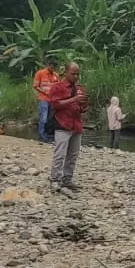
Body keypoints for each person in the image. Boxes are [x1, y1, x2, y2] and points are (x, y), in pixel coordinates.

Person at [47, 63, 88, 194]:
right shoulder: (57, 87)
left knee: (73, 155)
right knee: (60, 154)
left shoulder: (80, 88)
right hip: (62, 124)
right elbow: (55, 104)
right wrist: (74, 99)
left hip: (76, 125)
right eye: (73, 73)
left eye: (77, 74)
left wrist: (83, 105)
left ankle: (67, 179)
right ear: (65, 72)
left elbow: (82, 108)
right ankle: (55, 179)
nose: (76, 76)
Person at [33, 57, 60, 143]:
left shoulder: (56, 75)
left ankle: (49, 136)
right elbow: (35, 86)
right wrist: (44, 92)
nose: (53, 69)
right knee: (43, 118)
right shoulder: (40, 73)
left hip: (53, 100)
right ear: (48, 65)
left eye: (54, 67)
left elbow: (58, 86)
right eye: (52, 67)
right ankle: (42, 136)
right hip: (44, 99)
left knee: (50, 119)